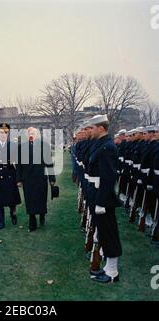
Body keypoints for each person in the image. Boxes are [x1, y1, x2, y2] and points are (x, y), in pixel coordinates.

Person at [86, 114, 122, 283]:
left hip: (103, 197)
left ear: (101, 128)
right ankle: (108, 267)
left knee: (109, 233)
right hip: (97, 192)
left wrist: (101, 202)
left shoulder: (107, 147)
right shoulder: (100, 144)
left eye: (92, 127)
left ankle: (113, 271)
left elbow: (108, 178)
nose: (90, 130)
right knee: (103, 232)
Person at [16, 127, 56, 232]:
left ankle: (42, 214)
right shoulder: (21, 147)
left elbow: (49, 163)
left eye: (33, 133)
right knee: (29, 200)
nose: (31, 134)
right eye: (29, 132)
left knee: (41, 199)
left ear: (37, 134)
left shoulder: (44, 146)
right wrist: (19, 180)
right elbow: (18, 165)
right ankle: (32, 221)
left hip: (40, 178)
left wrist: (52, 178)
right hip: (27, 179)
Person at [0, 123, 21, 230]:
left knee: (12, 201)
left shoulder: (14, 146)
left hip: (11, 176)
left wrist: (19, 178)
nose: (3, 134)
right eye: (1, 132)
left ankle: (13, 213)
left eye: (5, 132)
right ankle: (0, 222)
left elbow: (19, 164)